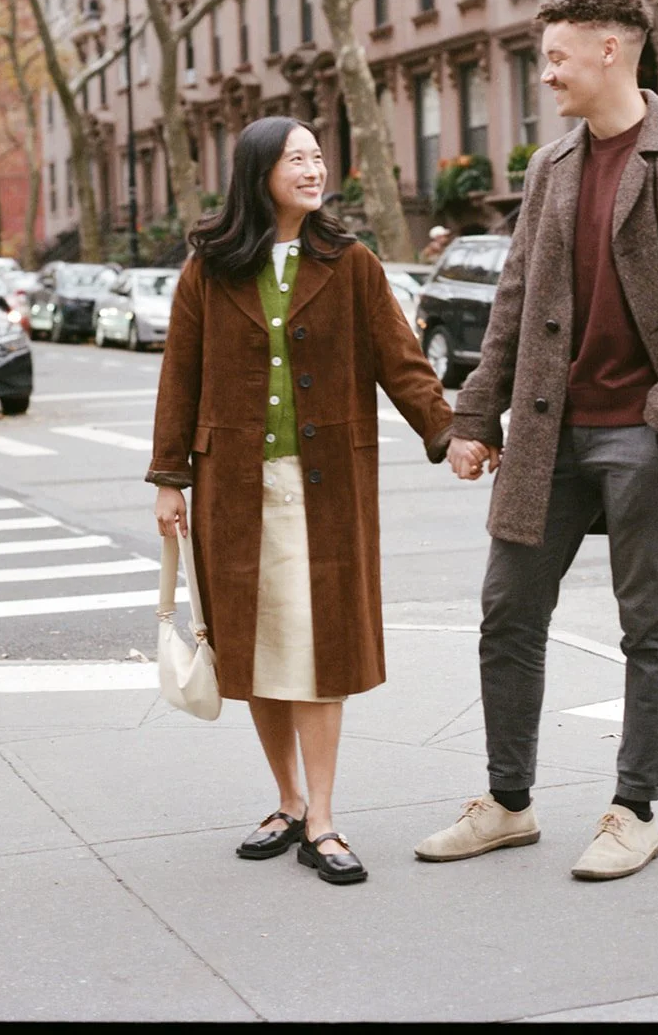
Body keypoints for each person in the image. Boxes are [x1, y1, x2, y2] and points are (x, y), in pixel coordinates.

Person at [417, 0, 658, 881]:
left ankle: (633, 811)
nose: (545, 73)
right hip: (547, 435)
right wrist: (473, 416)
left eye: (555, 56)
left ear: (610, 52)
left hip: (643, 433)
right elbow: (512, 305)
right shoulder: (549, 168)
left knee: (648, 626)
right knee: (507, 613)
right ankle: (508, 804)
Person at [149, 117, 456, 886]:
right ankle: (284, 800)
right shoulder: (210, 268)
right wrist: (167, 479)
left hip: (327, 487)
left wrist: (452, 435)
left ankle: (321, 817)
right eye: (297, 159)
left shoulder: (351, 265)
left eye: (319, 157)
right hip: (234, 489)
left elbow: (402, 362)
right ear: (259, 172)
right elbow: (178, 378)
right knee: (255, 650)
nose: (314, 169)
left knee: (320, 651)